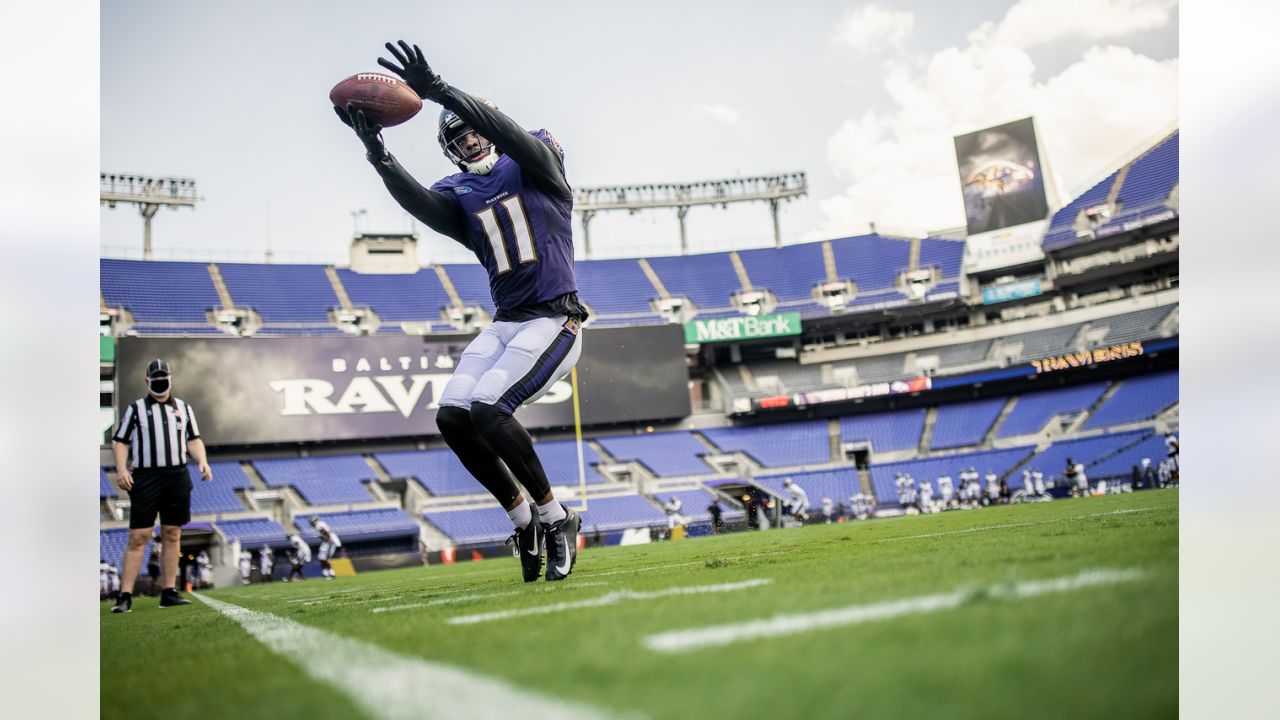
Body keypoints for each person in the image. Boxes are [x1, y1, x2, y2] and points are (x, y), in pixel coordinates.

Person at [338, 40, 588, 583]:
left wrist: (440, 92)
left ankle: (556, 517)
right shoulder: (460, 191)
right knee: (454, 415)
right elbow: (420, 206)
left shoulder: (537, 161)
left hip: (554, 319)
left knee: (490, 410)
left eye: (474, 128)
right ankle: (523, 519)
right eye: (458, 136)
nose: (470, 139)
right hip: (506, 323)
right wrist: (377, 151)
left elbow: (517, 139)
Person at [110, 359, 211, 613]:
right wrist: (122, 469)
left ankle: (168, 591)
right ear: (147, 381)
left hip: (176, 475)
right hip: (146, 477)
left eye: (163, 376)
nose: (160, 381)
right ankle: (125, 596)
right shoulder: (136, 409)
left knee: (172, 533)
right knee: (139, 535)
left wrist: (202, 461)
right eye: (155, 377)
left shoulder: (184, 408)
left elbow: (193, 439)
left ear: (171, 377)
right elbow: (120, 441)